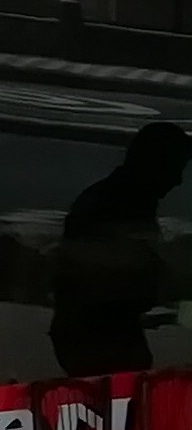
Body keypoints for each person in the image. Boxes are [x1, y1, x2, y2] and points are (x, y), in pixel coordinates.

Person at [51, 117, 189, 379]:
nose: (178, 180)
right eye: (175, 167)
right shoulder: (114, 206)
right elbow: (105, 276)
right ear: (155, 162)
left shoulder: (118, 202)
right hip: (100, 345)